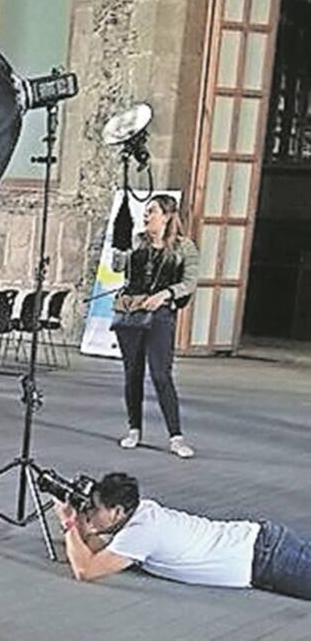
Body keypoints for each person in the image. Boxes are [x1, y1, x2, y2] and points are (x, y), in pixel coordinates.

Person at [56, 472, 311, 601]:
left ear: (118, 511)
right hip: (263, 549)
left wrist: (68, 522)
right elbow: (90, 548)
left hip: (267, 558)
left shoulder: (141, 532)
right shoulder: (140, 512)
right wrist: (81, 522)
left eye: (95, 509)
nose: (89, 513)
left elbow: (85, 570)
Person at [111, 194, 199, 459]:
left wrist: (165, 294)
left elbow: (190, 282)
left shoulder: (184, 247)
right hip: (132, 314)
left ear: (167, 216)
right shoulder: (138, 242)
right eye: (146, 211)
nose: (146, 216)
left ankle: (176, 436)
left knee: (161, 374)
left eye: (152, 211)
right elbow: (117, 268)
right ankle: (134, 429)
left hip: (161, 316)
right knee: (132, 374)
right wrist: (121, 246)